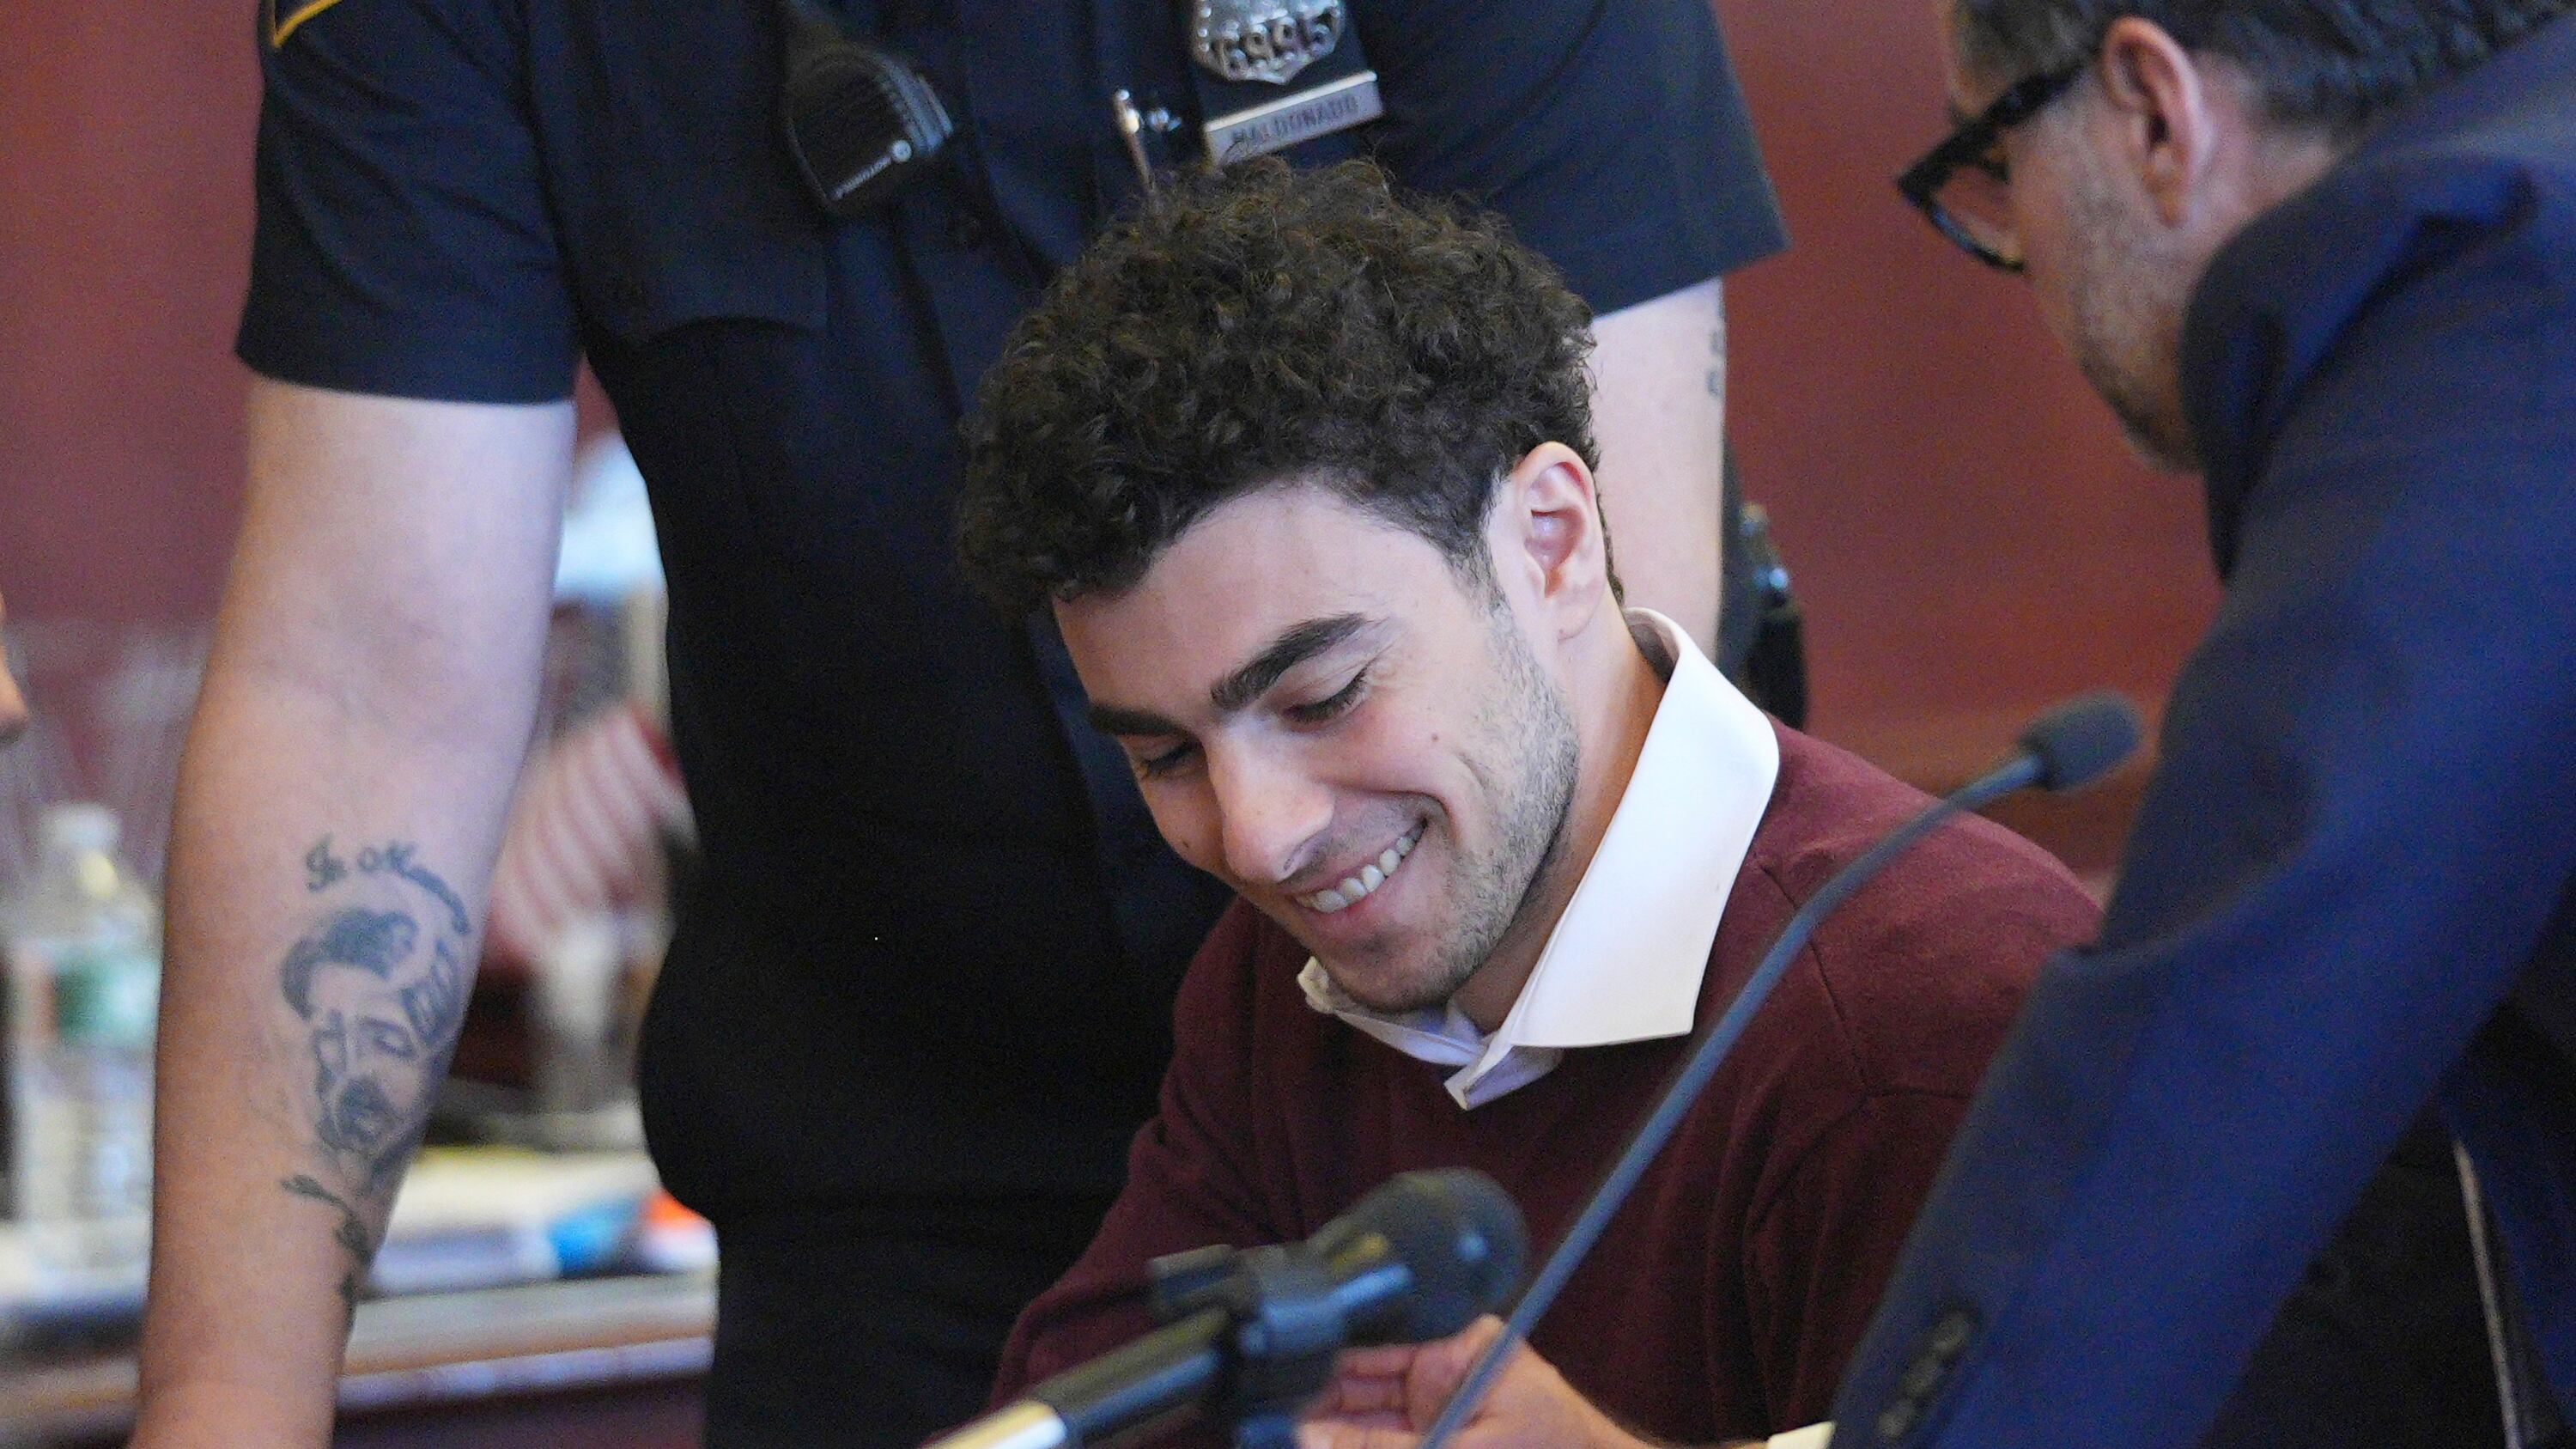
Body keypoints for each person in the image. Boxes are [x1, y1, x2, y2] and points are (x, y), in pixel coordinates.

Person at [134, 2, 1785, 1444]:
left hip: (1499, 1120)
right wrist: (228, 1415)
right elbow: (352, 692)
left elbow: (1596, 613)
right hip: (888, 1182)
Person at [952, 158, 2104, 1448]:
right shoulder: (1282, 981)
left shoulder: (1926, 1018)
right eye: (1168, 756)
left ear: (1551, 540)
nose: (1260, 838)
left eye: (1323, 695)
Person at [1829, 3, 2576, 1446]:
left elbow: (2196, 1059)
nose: (2016, 252)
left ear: (2153, 110)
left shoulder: (2494, 342)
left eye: (1996, 165)